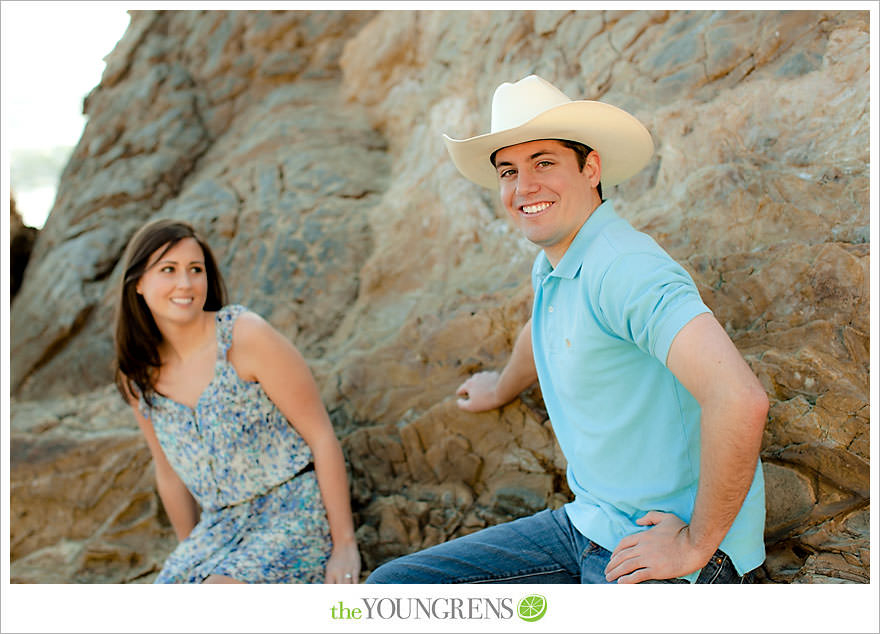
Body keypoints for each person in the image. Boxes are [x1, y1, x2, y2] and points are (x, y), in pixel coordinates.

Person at [366, 75, 768, 584]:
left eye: (544, 162)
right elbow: (543, 324)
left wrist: (696, 544)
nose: (524, 186)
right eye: (509, 171)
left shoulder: (627, 268)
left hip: (666, 545)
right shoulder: (559, 261)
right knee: (392, 590)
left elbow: (740, 399)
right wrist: (502, 385)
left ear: (591, 167)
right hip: (589, 524)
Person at [114, 219, 360, 584]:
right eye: (168, 270)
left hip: (291, 510)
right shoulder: (137, 375)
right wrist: (190, 554)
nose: (185, 283)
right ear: (138, 284)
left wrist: (345, 545)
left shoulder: (245, 336)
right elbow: (167, 471)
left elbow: (321, 435)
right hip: (218, 526)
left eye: (195, 270)